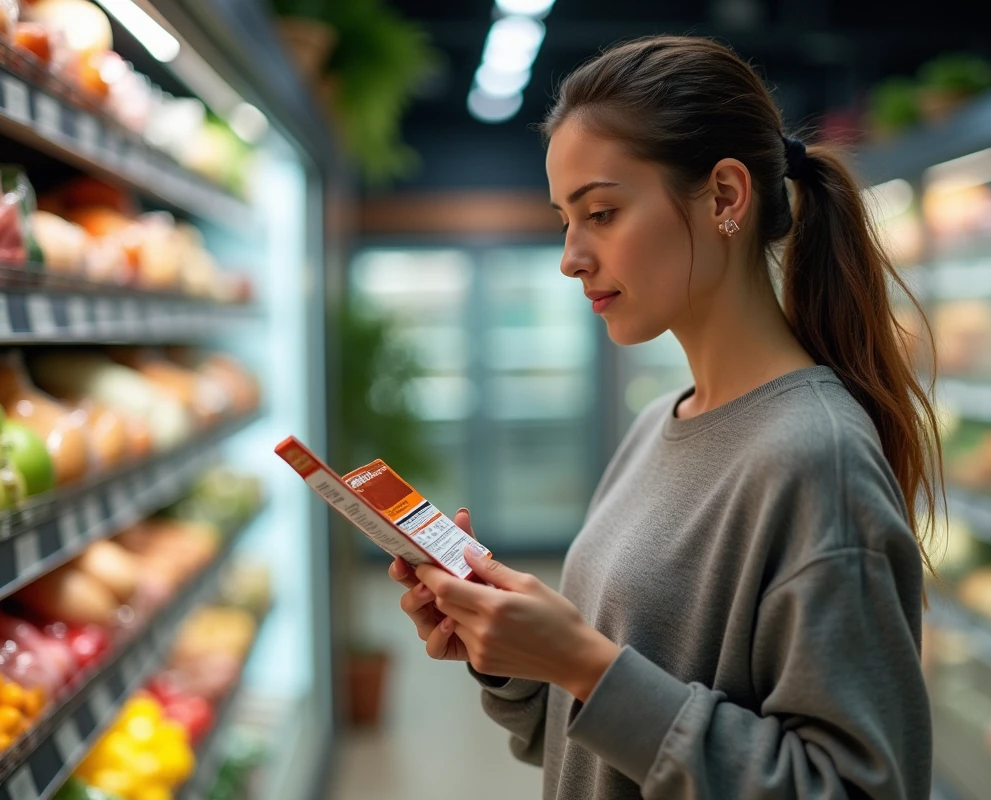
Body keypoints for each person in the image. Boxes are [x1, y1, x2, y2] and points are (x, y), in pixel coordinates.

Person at [387, 34, 942, 800]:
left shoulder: (817, 458)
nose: (571, 256)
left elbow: (853, 788)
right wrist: (517, 661)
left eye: (603, 212)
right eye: (564, 221)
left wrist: (584, 662)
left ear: (724, 197)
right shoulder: (658, 425)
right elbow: (601, 752)